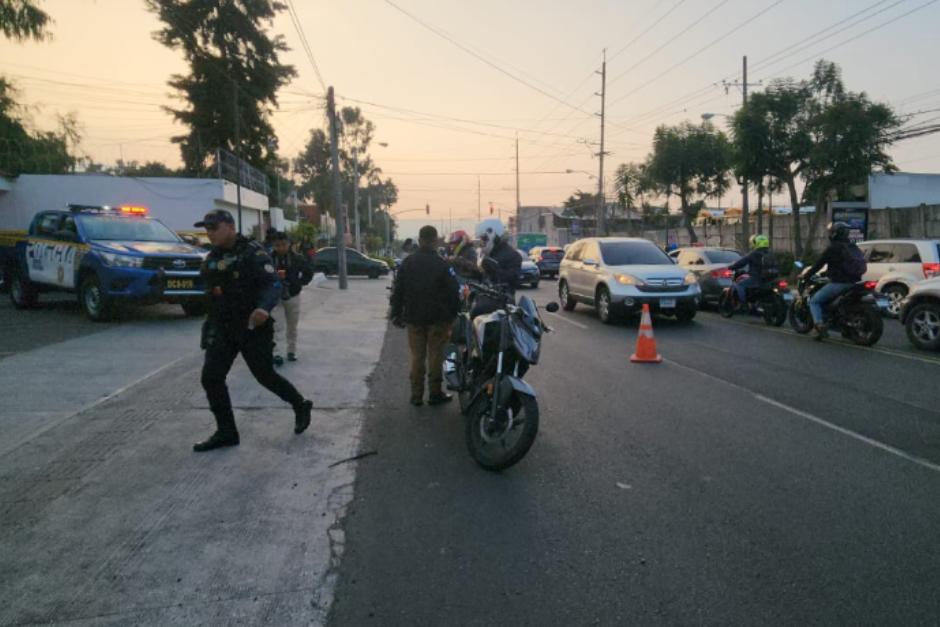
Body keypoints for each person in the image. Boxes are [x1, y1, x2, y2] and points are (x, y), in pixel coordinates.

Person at [193, 210, 313, 452]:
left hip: (252, 326)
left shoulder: (253, 253)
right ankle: (226, 431)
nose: (210, 233)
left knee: (264, 375)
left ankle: (300, 405)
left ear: (230, 227)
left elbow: (273, 284)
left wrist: (263, 308)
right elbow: (208, 289)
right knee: (211, 378)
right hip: (223, 326)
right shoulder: (212, 257)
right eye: (207, 229)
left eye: (214, 228)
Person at [389, 225, 460, 407]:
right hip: (438, 319)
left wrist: (395, 313)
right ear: (435, 241)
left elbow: (398, 290)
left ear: (420, 241)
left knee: (417, 357)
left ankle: (416, 395)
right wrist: (454, 314)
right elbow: (454, 291)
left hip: (414, 318)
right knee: (435, 356)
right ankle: (435, 393)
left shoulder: (407, 263)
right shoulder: (442, 264)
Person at [803, 221, 867, 340]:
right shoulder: (852, 247)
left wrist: (806, 275)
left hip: (839, 283)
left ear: (835, 233)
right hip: (854, 283)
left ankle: (819, 326)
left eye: (831, 232)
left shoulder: (833, 248)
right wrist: (826, 273)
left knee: (814, 301)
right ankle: (845, 330)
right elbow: (839, 265)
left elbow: (819, 264)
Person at [271, 231, 314, 366]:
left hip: (293, 295)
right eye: (277, 245)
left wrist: (299, 283)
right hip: (275, 297)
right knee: (276, 326)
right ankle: (276, 354)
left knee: (292, 326)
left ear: (289, 244)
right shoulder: (269, 259)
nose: (281, 248)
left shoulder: (297, 258)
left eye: (283, 244)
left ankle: (291, 351)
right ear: (273, 245)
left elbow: (308, 272)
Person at [470, 218, 521, 318]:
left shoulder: (512, 255)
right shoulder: (488, 253)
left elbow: (514, 279)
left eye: (484, 239)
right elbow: (482, 276)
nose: (482, 243)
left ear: (493, 234)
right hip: (485, 298)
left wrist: (495, 270)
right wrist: (468, 269)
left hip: (503, 304)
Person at [728, 234, 777, 305]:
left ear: (757, 243)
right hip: (770, 279)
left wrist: (732, 267)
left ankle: (743, 303)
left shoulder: (754, 253)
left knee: (739, 285)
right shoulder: (770, 253)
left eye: (754, 242)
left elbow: (742, 262)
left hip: (756, 278)